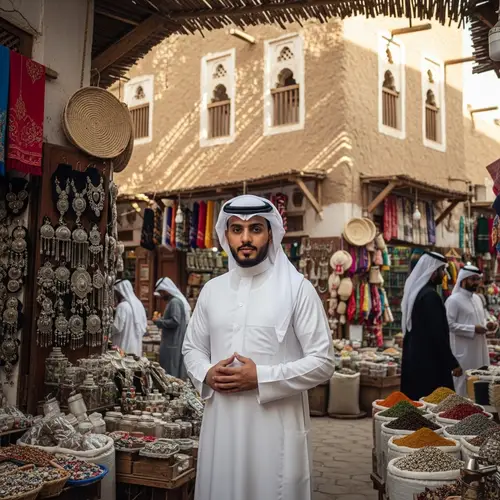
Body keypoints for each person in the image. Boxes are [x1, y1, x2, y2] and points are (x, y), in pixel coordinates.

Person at [182, 195, 334, 500]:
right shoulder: (213, 291)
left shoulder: (297, 289)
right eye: (237, 229)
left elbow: (323, 361)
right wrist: (206, 373)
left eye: (255, 228)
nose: (246, 238)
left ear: (271, 233)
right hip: (221, 427)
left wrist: (262, 377)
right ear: (226, 236)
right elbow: (192, 348)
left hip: (275, 429)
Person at [400, 251, 462, 400]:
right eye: (442, 270)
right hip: (430, 362)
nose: (445, 274)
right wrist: (452, 363)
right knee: (433, 404)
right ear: (433, 272)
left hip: (416, 358)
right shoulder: (430, 296)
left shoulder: (419, 294)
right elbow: (438, 333)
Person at [446, 265, 492, 395]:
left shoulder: (477, 299)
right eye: (473, 279)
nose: (476, 282)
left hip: (479, 349)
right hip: (462, 352)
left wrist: (488, 325)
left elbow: (481, 321)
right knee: (463, 385)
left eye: (478, 279)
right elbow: (448, 325)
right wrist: (472, 329)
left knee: (479, 382)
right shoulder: (453, 300)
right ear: (463, 280)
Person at [154, 277, 191, 379]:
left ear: (166, 290)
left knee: (171, 371)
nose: (161, 296)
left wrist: (159, 322)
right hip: (172, 342)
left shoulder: (175, 302)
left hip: (173, 343)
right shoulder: (173, 301)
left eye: (161, 293)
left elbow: (175, 321)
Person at [113, 279, 148, 357]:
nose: (115, 296)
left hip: (124, 346)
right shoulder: (139, 304)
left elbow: (117, 328)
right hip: (136, 346)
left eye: (116, 293)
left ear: (120, 291)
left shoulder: (122, 306)